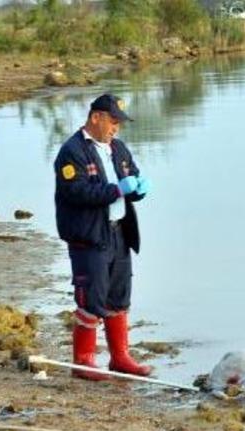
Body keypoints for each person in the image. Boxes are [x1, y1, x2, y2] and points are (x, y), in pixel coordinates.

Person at [53, 93, 153, 380]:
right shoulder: (71, 152)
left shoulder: (118, 148)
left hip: (119, 232)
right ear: (95, 117)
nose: (116, 128)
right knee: (91, 299)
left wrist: (138, 189)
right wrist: (117, 190)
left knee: (118, 296)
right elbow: (78, 192)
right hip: (90, 237)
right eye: (112, 121)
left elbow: (132, 175)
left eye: (119, 123)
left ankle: (120, 358)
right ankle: (84, 361)